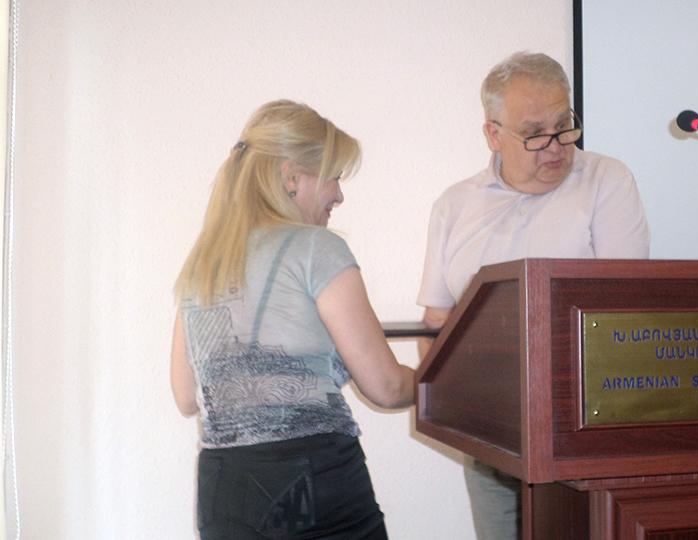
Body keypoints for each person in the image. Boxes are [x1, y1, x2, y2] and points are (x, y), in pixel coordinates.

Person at [416, 52, 651, 540]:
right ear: (493, 134)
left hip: (580, 432)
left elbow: (625, 310)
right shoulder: (455, 205)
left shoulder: (606, 182)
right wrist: (457, 406)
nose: (556, 146)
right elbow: (436, 324)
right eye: (535, 133)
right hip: (488, 434)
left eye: (564, 126)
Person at [170, 100, 414, 540]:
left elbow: (188, 398)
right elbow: (386, 386)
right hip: (311, 475)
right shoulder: (317, 249)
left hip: (223, 486)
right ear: (291, 178)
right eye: (333, 175)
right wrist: (443, 382)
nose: (339, 194)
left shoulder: (204, 263)